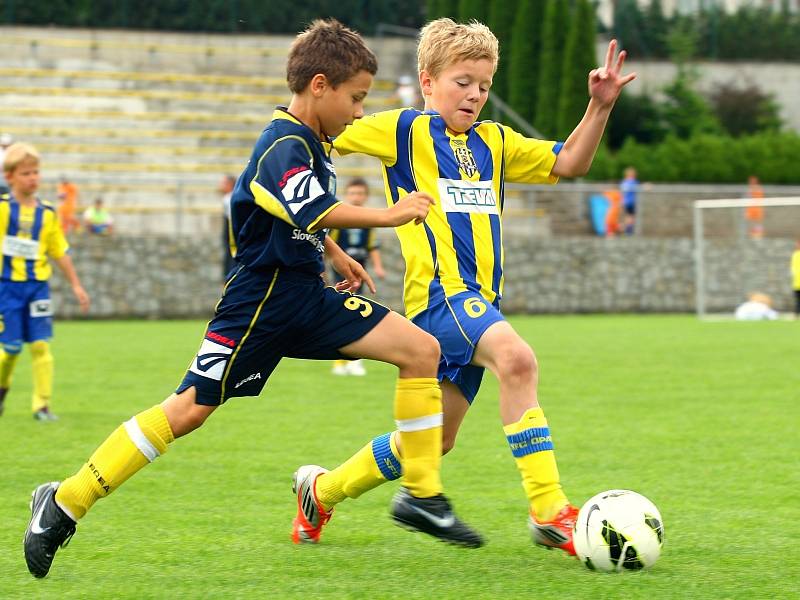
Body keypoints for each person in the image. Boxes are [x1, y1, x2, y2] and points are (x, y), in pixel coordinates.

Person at [23, 19, 483, 581]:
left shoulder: (311, 142)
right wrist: (387, 214)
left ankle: (421, 494)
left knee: (420, 351)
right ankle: (66, 502)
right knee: (188, 408)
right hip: (258, 303)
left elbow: (296, 212)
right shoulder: (283, 142)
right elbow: (305, 205)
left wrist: (334, 254)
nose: (360, 112)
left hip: (306, 297)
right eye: (356, 97)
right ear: (320, 85)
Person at [291, 18, 636, 556]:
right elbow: (320, 127)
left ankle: (321, 490)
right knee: (518, 361)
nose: (474, 94)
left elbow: (571, 162)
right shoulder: (401, 130)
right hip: (439, 300)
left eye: (483, 85)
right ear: (427, 82)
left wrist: (601, 106)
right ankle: (550, 511)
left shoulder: (496, 141)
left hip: (478, 304)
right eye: (462, 81)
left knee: (432, 441)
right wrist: (319, 224)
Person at [0, 143, 90, 421]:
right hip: (7, 288)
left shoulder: (48, 213)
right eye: (26, 173)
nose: (33, 178)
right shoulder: (3, 209)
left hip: (38, 287)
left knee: (41, 345)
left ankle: (42, 406)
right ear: (10, 176)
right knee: (11, 348)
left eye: (36, 172)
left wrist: (76, 284)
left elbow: (58, 250)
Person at [328, 177, 386, 376]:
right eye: (352, 193)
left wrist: (378, 267)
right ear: (347, 195)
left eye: (360, 193)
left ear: (366, 196)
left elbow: (372, 246)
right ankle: (340, 360)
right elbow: (329, 245)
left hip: (360, 270)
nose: (356, 197)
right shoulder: (339, 218)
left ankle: (352, 360)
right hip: (342, 271)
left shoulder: (367, 219)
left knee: (357, 311)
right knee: (341, 310)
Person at [219, 173, 236, 280]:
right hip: (230, 233)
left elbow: (232, 219)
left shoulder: (229, 198)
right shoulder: (229, 197)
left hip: (232, 234)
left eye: (223, 183)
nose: (220, 185)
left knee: (230, 260)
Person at [620, 166, 639, 235]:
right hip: (631, 202)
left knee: (628, 216)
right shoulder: (632, 181)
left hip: (625, 202)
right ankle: (627, 230)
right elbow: (639, 187)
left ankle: (625, 229)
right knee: (630, 216)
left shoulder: (624, 182)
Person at [745, 175, 764, 240]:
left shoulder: (758, 189)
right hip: (750, 209)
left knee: (757, 222)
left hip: (756, 208)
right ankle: (751, 234)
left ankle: (758, 235)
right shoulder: (749, 189)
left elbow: (759, 198)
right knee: (751, 222)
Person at [792, 240, 800, 320]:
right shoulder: (795, 255)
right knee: (797, 300)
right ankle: (796, 315)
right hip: (796, 283)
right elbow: (793, 269)